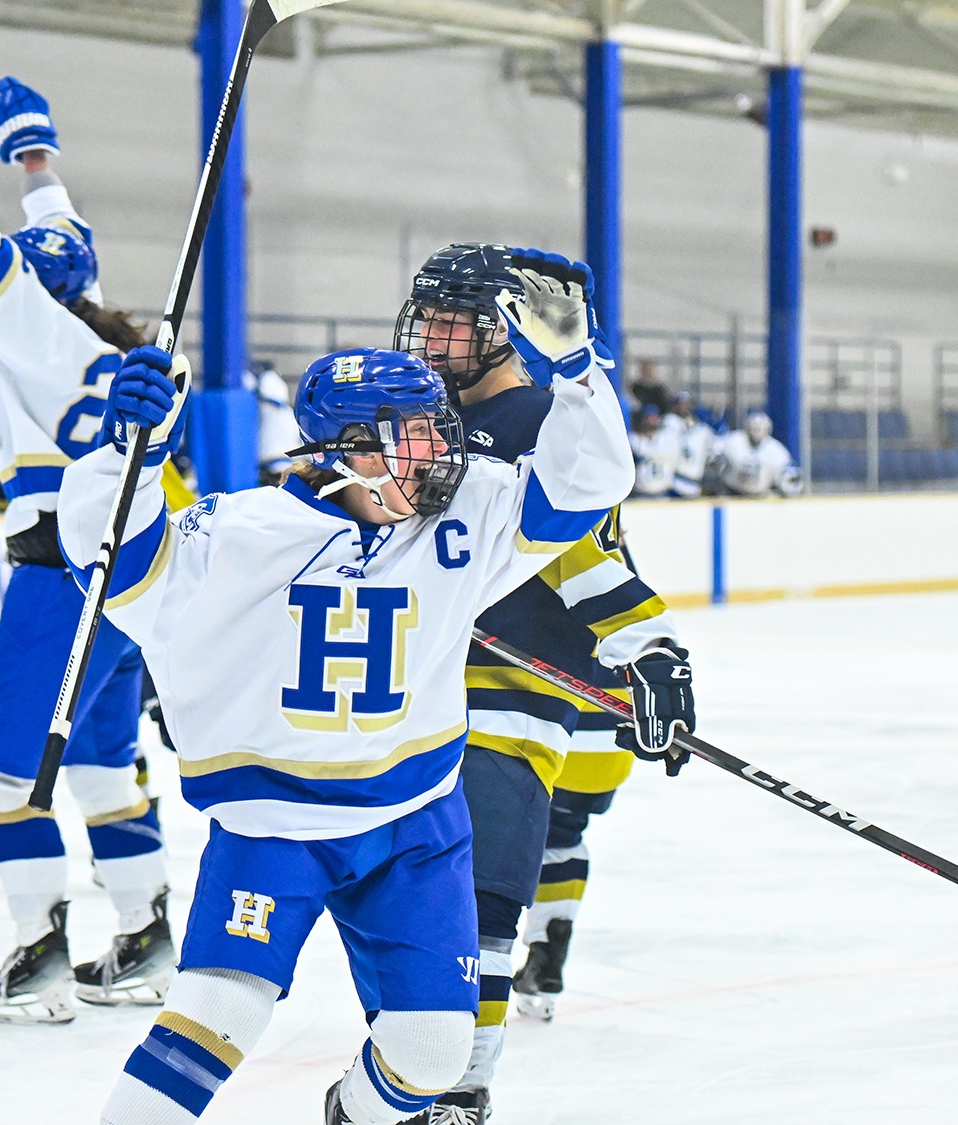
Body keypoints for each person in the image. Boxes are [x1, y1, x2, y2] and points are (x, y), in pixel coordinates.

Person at [72, 306, 632, 1125]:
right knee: (217, 1016)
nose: (442, 454)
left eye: (440, 432)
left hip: (419, 830)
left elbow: (588, 487)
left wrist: (580, 371)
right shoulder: (237, 533)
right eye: (415, 437)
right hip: (276, 831)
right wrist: (127, 452)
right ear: (349, 451)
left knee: (436, 1054)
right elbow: (111, 562)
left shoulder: (465, 511)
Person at [394, 244, 697, 1119]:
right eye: (431, 313)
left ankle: (465, 1080)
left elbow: (588, 558)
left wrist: (653, 649)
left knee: (487, 888)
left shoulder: (543, 418)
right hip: (419, 682)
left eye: (456, 318)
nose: (434, 333)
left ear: (506, 331)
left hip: (517, 686)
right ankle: (418, 1053)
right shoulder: (416, 415)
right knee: (416, 890)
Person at [0, 67, 174, 1023]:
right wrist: (36, 155)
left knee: (7, 771)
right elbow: (73, 251)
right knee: (103, 763)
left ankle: (42, 949)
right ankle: (146, 936)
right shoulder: (98, 334)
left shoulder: (13, 326)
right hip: (128, 573)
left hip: (56, 572)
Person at [709, 410, 804, 497]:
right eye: (754, 428)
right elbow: (714, 455)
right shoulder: (733, 441)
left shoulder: (776, 450)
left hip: (760, 496)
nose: (757, 433)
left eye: (760, 429)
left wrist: (787, 488)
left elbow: (790, 478)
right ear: (747, 427)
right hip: (731, 493)